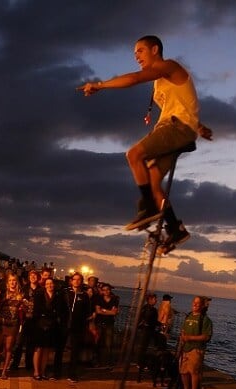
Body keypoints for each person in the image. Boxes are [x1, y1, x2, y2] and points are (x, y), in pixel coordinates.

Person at [79, 35, 213, 252]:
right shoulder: (160, 82)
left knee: (134, 155)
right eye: (134, 54)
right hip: (180, 129)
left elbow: (134, 79)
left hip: (176, 128)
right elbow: (182, 105)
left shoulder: (169, 66)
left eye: (139, 51)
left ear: (154, 49)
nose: (136, 57)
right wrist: (199, 127)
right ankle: (175, 229)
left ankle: (148, 208)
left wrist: (99, 85)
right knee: (152, 182)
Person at [53, 272, 92, 383]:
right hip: (64, 325)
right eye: (75, 279)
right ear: (71, 280)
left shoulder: (84, 296)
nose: (76, 281)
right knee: (59, 350)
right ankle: (56, 373)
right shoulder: (64, 292)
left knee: (75, 351)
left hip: (77, 327)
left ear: (81, 281)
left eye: (79, 279)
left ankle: (72, 374)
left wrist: (84, 323)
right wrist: (60, 319)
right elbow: (59, 307)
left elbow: (87, 312)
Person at [178, 295, 213, 389]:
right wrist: (182, 340)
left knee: (194, 371)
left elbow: (206, 336)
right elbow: (183, 330)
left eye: (198, 303)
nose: (195, 304)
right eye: (194, 302)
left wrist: (190, 338)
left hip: (196, 349)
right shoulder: (188, 316)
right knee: (183, 371)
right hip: (185, 348)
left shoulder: (205, 320)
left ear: (202, 306)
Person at [0, 273, 27, 379]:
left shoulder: (21, 294)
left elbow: (26, 310)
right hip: (1, 323)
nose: (12, 282)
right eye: (10, 280)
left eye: (14, 280)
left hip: (13, 324)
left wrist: (24, 306)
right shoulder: (3, 293)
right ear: (7, 282)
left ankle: (4, 371)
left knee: (8, 348)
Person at [30, 277, 64, 380]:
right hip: (40, 324)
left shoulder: (58, 296)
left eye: (51, 283)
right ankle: (36, 372)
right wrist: (49, 313)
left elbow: (59, 310)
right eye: (48, 283)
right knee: (38, 348)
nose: (50, 285)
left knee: (46, 349)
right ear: (45, 285)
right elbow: (37, 309)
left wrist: (51, 313)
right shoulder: (39, 294)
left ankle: (43, 371)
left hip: (51, 325)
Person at [93, 283, 120, 368]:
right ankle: (96, 361)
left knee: (109, 344)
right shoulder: (99, 298)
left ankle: (108, 362)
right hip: (99, 323)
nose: (106, 291)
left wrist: (104, 310)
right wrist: (109, 312)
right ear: (102, 291)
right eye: (104, 290)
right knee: (97, 343)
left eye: (107, 289)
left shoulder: (114, 299)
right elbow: (98, 311)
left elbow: (114, 312)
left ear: (110, 290)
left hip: (109, 324)